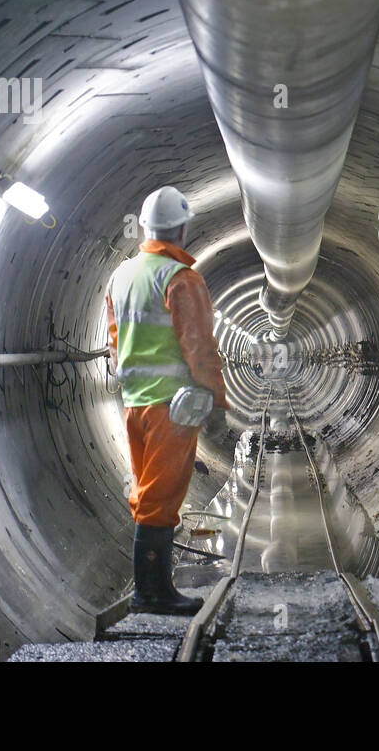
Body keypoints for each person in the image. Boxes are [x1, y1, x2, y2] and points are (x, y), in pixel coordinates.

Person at [105, 185, 229, 615]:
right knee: (162, 496)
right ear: (181, 227)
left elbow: (116, 339)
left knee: (145, 492)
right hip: (173, 408)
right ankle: (152, 593)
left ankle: (152, 587)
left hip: (135, 404)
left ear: (145, 226)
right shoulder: (180, 278)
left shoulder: (121, 276)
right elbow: (199, 347)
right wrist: (216, 404)